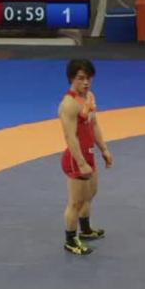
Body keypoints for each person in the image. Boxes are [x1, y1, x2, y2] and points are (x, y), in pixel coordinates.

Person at [59, 58, 112, 255]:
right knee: (76, 202)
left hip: (89, 154)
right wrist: (81, 163)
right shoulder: (69, 105)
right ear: (71, 79)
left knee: (90, 194)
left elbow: (94, 124)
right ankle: (70, 240)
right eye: (81, 78)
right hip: (76, 159)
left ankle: (86, 230)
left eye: (89, 78)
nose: (86, 82)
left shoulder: (89, 96)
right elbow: (70, 137)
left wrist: (104, 149)